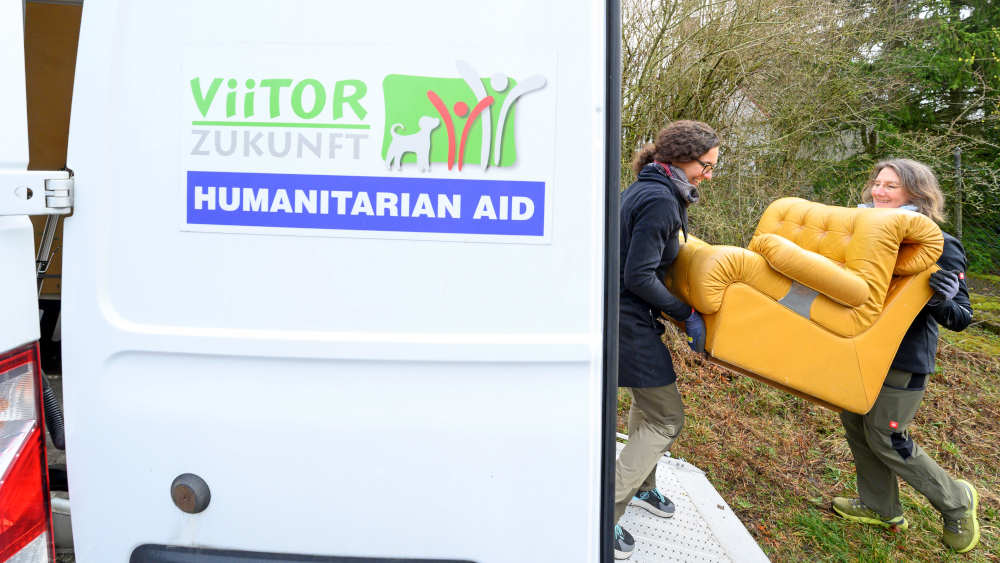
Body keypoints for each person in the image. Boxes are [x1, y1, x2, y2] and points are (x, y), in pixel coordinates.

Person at [832, 159, 979, 553]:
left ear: (916, 194)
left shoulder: (940, 243)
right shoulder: (862, 233)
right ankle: (880, 507)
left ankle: (956, 502)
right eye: (877, 183)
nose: (878, 191)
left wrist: (942, 299)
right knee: (855, 424)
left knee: (888, 436)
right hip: (858, 349)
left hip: (904, 360)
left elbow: (962, 317)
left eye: (891, 186)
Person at [613, 120, 718, 560]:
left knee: (647, 405)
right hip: (626, 319)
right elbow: (638, 275)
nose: (708, 176)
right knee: (665, 418)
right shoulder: (659, 199)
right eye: (705, 166)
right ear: (681, 157)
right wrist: (686, 313)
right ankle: (601, 516)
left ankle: (643, 488)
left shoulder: (650, 186)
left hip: (624, 314)